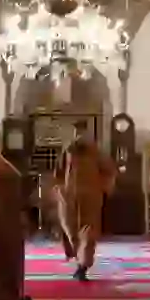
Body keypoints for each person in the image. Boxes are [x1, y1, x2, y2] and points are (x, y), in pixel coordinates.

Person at [53, 120, 117, 281]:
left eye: (81, 132)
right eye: (76, 132)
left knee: (88, 233)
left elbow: (109, 172)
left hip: (91, 197)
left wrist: (103, 189)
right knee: (71, 230)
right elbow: (58, 174)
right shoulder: (68, 151)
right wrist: (59, 190)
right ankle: (78, 260)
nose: (79, 136)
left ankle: (83, 266)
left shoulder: (97, 152)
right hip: (69, 198)